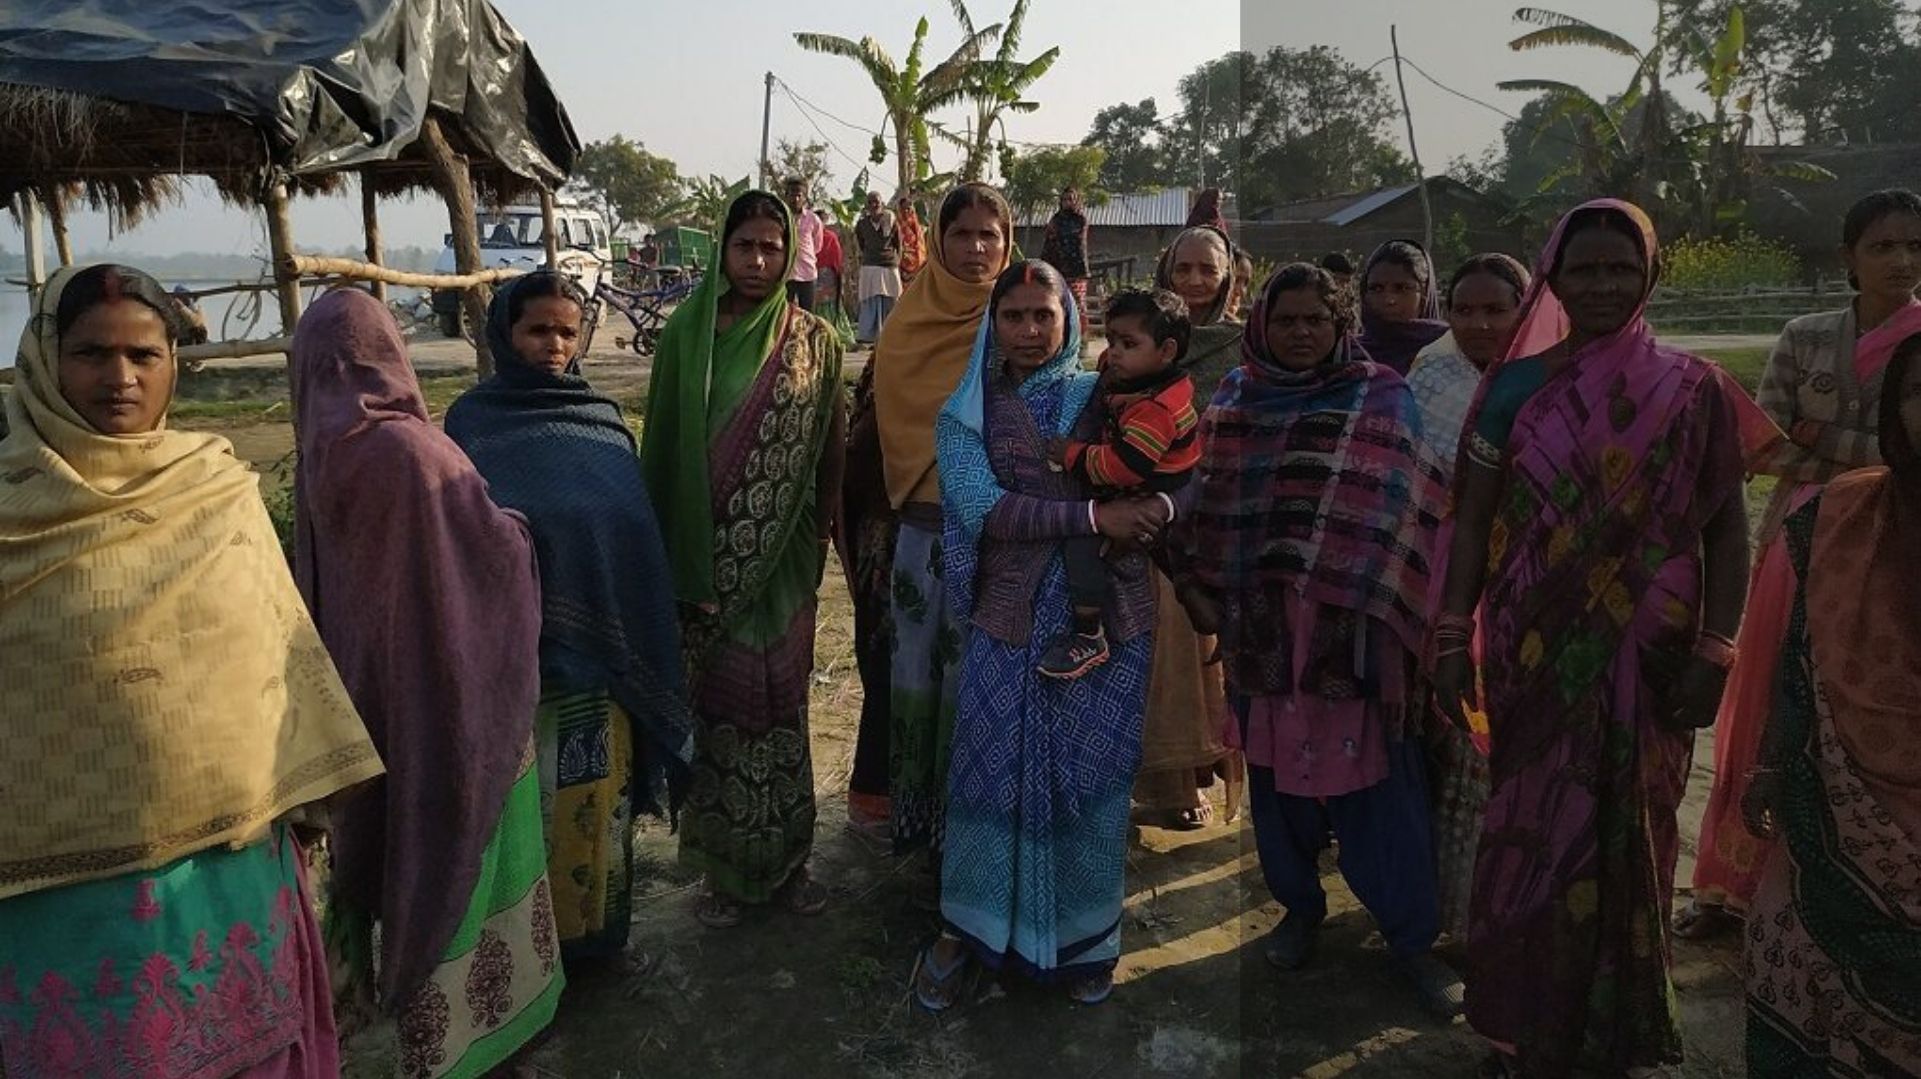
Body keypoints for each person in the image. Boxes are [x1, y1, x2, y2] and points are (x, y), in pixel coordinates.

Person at [0, 264, 382, 1076]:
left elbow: (280, 658)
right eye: (91, 353)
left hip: (224, 872)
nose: (120, 377)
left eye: (144, 353)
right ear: (44, 359)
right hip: (53, 899)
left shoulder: (215, 490)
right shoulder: (9, 506)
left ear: (176, 361)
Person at [1431, 200, 1778, 1078]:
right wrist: (1446, 634)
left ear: (1649, 276)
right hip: (1533, 650)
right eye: (1581, 269)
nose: (1600, 284)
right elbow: (1470, 524)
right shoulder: (1511, 387)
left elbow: (1726, 532)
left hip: (1651, 655)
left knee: (1633, 834)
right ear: (1551, 275)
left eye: (1619, 268)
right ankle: (1522, 1029)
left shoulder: (1694, 388)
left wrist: (1715, 652)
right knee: (1530, 834)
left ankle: (1616, 1030)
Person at [1171, 261, 1463, 1019]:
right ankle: (1298, 908)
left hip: (1358, 629)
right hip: (1265, 630)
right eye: (1287, 320)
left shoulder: (1382, 396)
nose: (1301, 334)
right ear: (1261, 325)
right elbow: (1211, 508)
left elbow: (1411, 510)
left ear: (1341, 328)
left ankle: (1410, 938)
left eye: (1317, 321)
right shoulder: (1234, 400)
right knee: (1277, 784)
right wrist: (1201, 584)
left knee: (1380, 783)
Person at [290, 288, 562, 1075]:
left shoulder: (320, 452)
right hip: (457, 703)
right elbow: (496, 558)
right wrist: (516, 528)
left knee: (402, 847)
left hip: (372, 702)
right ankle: (483, 1035)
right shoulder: (414, 451)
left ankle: (425, 1030)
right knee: (462, 852)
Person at [909, 259, 1172, 1010]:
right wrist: (1093, 517)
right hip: (1010, 621)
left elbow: (1171, 468)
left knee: (1088, 781)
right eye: (1014, 315)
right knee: (989, 775)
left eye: (1042, 314)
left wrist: (1151, 514)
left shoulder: (1107, 399)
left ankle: (1087, 939)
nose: (1028, 330)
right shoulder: (964, 413)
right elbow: (982, 507)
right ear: (993, 323)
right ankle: (968, 929)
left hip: (1107, 626)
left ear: (1069, 320)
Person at [1683, 187, 1921, 941]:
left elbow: (1836, 443)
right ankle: (1730, 884)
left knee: (1863, 703)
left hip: (1896, 543)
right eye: (1882, 245)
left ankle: (1856, 886)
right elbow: (1763, 441)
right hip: (1797, 536)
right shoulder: (1804, 333)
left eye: (1913, 245)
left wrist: (1826, 440)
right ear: (1847, 256)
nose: (1901, 259)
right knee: (1766, 694)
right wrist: (1871, 450)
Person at [444, 271, 695, 965]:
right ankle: (527, 963)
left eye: (565, 330)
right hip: (519, 673)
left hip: (603, 675)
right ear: (504, 334)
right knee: (526, 818)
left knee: (593, 809)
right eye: (537, 330)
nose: (554, 345)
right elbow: (462, 544)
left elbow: (631, 539)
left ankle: (597, 945)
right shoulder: (473, 424)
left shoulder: (602, 420)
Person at [643, 190, 847, 928]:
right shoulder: (684, 337)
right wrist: (676, 564)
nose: (758, 261)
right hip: (704, 566)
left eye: (771, 247)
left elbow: (830, 448)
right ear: (720, 252)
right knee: (722, 710)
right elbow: (664, 449)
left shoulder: (814, 340)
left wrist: (818, 535)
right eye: (744, 246)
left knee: (782, 709)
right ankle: (722, 870)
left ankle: (789, 862)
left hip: (785, 559)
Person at [1741, 333, 1921, 1077]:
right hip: (1835, 806)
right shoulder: (1843, 513)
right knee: (1785, 944)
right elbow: (1800, 654)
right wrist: (1770, 765)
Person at [872, 182, 1015, 875]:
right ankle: (917, 825)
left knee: (980, 685)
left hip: (1003, 534)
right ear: (937, 238)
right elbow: (896, 419)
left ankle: (976, 831)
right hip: (923, 529)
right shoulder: (908, 320)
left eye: (990, 234)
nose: (977, 247)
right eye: (962, 233)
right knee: (916, 679)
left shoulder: (1025, 312)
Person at [1403, 253, 1531, 942]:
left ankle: (1509, 914)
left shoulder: (1554, 373)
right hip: (1442, 579)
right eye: (1464, 309)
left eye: (1496, 309)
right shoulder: (1432, 373)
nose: (1479, 324)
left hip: (1533, 581)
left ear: (1525, 307)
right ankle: (1449, 910)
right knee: (1451, 743)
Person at [1134, 224, 1246, 830]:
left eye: (1209, 270)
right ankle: (1169, 781)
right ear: (1167, 274)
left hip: (1223, 517)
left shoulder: (1243, 344)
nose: (1198, 282)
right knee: (1165, 653)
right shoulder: (1143, 338)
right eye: (1185, 270)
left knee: (1216, 655)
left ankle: (1206, 770)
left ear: (1228, 275)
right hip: (1154, 520)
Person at [1042, 287, 1199, 679]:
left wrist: (1072, 454)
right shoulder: (1143, 386)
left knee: (1082, 541)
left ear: (1166, 351)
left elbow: (1125, 467)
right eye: (1111, 340)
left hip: (1151, 494)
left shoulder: (1156, 408)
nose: (1114, 353)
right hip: (1158, 492)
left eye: (1129, 343)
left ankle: (1088, 631)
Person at [837, 361, 899, 844]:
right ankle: (877, 792)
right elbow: (859, 452)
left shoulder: (1003, 331)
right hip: (893, 533)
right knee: (888, 668)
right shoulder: (904, 338)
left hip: (985, 534)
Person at [1357, 240, 1450, 376]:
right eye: (1376, 288)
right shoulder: (1349, 354)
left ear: (1425, 294)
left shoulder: (1450, 350)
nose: (1389, 300)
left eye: (1402, 288)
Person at [855, 191, 904, 344]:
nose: (873, 205)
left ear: (882, 204)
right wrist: (870, 256)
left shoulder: (891, 220)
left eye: (876, 202)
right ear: (866, 206)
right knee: (871, 301)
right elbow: (862, 244)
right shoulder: (862, 224)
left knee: (892, 300)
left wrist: (897, 260)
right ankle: (870, 336)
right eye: (870, 202)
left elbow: (899, 243)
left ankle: (892, 333)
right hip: (870, 266)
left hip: (889, 265)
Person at [1041, 186, 1092, 316]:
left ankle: (1078, 333)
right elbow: (1049, 242)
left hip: (1076, 270)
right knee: (1056, 303)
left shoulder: (1080, 220)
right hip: (1056, 268)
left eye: (1070, 199)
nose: (1067, 202)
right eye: (1064, 199)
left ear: (1076, 201)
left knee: (1077, 305)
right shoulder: (1055, 220)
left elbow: (1076, 240)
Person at [783, 176, 823, 311]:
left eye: (799, 195)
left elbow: (817, 245)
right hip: (785, 273)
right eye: (792, 195)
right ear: (786, 196)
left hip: (807, 273)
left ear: (805, 197)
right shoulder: (779, 217)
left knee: (808, 314)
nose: (795, 199)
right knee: (783, 313)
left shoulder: (813, 219)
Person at [898, 195, 928, 279]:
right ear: (900, 210)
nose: (906, 211)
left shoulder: (919, 228)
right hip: (903, 269)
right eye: (904, 209)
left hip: (919, 267)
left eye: (909, 208)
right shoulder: (897, 227)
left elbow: (922, 247)